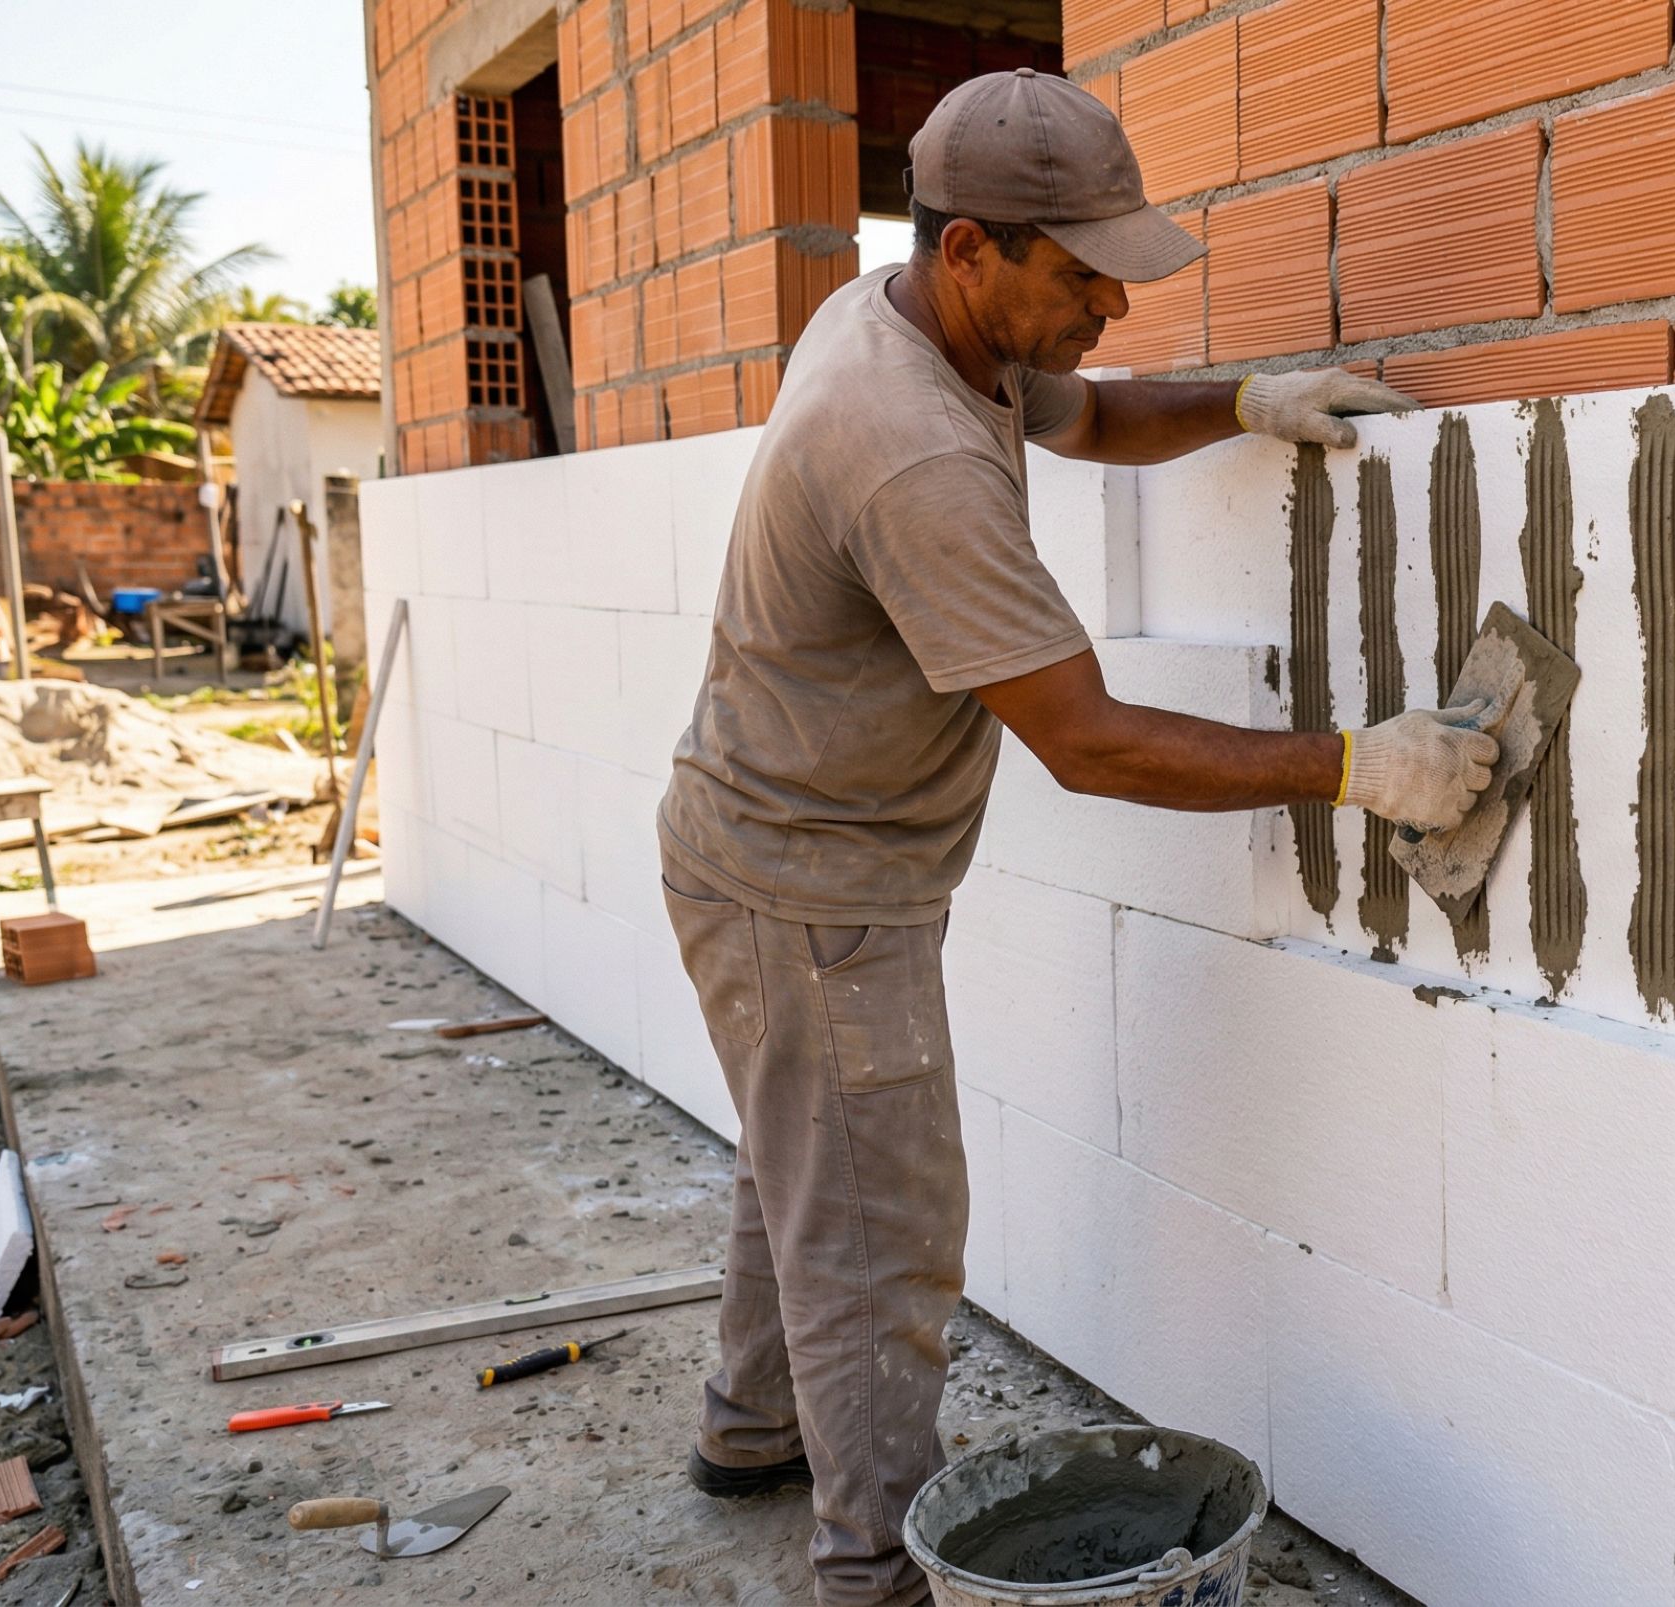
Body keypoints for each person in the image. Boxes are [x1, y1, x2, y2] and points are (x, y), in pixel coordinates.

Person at [650, 68, 1498, 1606]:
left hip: (760, 849)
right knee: (879, 1240)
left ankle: (751, 1428)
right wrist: (1359, 766)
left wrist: (1245, 403)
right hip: (814, 888)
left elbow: (1094, 413)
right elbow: (1091, 742)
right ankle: (875, 1575)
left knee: (811, 1162)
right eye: (1083, 270)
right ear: (973, 248)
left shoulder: (909, 312)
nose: (1111, 299)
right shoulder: (907, 447)